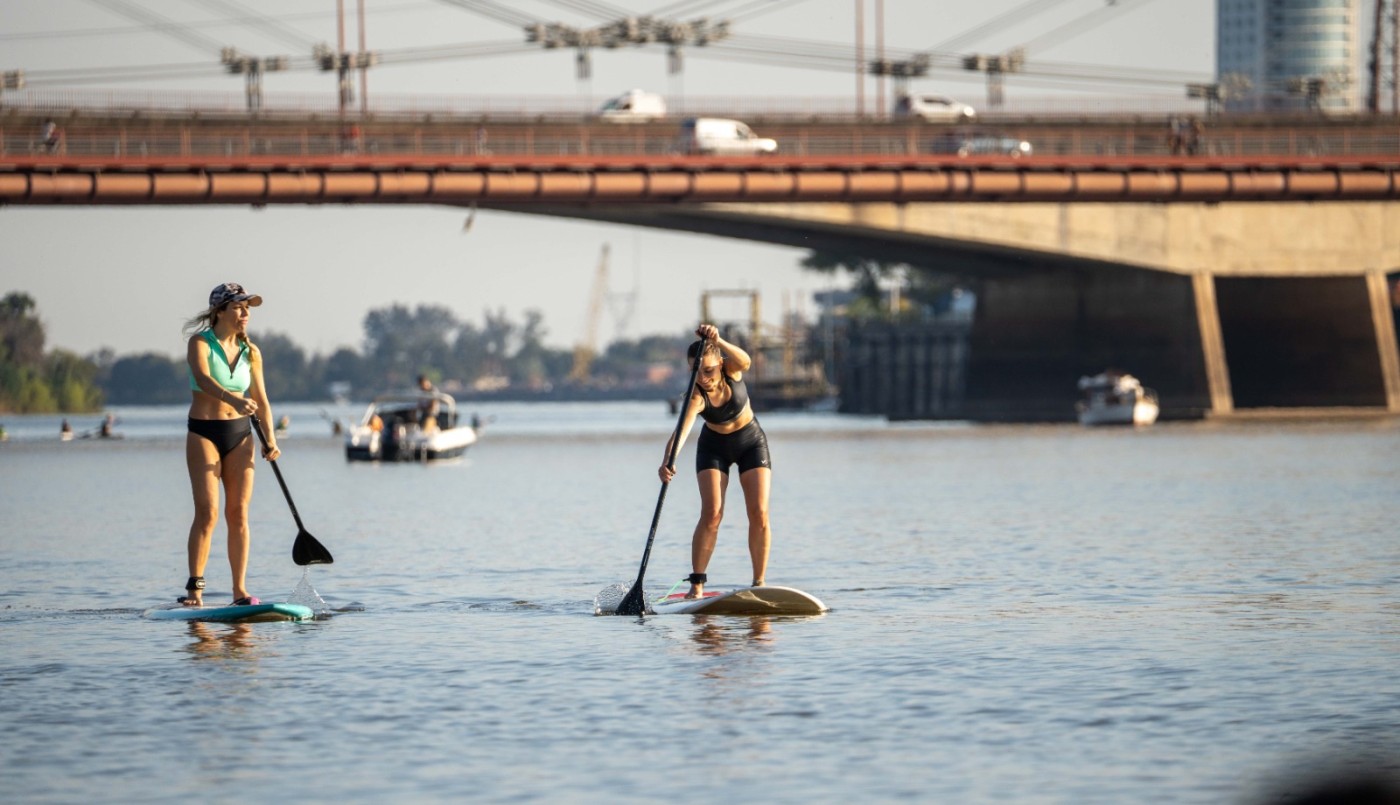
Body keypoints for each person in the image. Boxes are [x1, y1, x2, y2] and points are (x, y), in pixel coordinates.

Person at [178, 282, 279, 607]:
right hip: (204, 434)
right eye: (238, 307)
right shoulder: (200, 343)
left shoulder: (252, 351)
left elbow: (261, 401)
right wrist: (233, 399)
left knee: (238, 514)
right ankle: (195, 590)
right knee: (207, 513)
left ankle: (240, 591)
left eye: (248, 307)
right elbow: (204, 379)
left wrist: (271, 439)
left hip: (241, 436)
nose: (245, 313)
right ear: (219, 311)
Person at [659, 323, 773, 599]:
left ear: (720, 365)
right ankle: (696, 585)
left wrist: (719, 340)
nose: (703, 377)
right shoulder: (696, 397)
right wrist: (667, 462)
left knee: (758, 513)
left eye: (708, 370)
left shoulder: (732, 370)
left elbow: (744, 360)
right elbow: (681, 433)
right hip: (714, 447)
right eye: (696, 372)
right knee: (712, 514)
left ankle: (759, 583)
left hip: (751, 443)